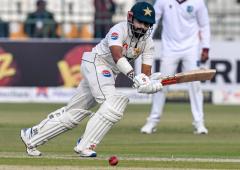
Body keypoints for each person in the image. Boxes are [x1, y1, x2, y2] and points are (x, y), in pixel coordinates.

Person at [20, 1, 163, 157]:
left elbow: (145, 73)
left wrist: (149, 83)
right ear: (130, 17)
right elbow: (117, 56)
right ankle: (85, 145)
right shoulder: (119, 29)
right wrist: (135, 77)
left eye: (147, 24)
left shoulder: (147, 42)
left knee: (74, 113)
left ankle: (32, 135)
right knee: (114, 102)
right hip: (96, 63)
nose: (143, 27)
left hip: (107, 73)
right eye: (140, 22)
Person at [141, 0, 211, 135]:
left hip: (191, 48)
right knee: (161, 84)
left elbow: (204, 25)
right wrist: (144, 41)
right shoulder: (163, 1)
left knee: (195, 85)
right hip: (169, 49)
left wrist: (206, 47)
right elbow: (152, 20)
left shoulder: (198, 2)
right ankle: (152, 121)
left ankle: (199, 123)